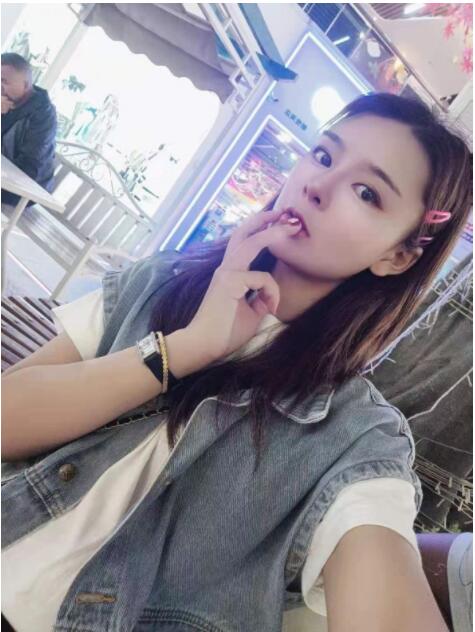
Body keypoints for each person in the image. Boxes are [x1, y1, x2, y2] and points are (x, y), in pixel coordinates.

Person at [1, 92, 472, 632]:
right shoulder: (157, 285)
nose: (317, 186)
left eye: (366, 192)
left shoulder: (355, 439)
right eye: (323, 156)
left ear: (397, 256)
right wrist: (184, 350)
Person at [1, 52, 57, 206]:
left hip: (23, 192)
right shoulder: (7, 101)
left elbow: (29, 167)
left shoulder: (43, 115)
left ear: (25, 85)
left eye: (4, 81)